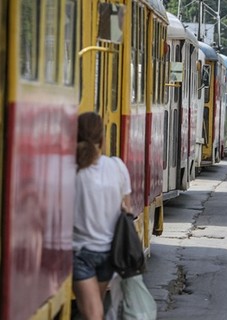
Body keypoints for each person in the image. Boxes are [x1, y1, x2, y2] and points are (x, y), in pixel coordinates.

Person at [73, 112, 132, 320]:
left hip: (81, 253)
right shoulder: (117, 166)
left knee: (92, 313)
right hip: (109, 254)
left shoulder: (74, 170)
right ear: (102, 138)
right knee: (94, 312)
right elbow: (128, 208)